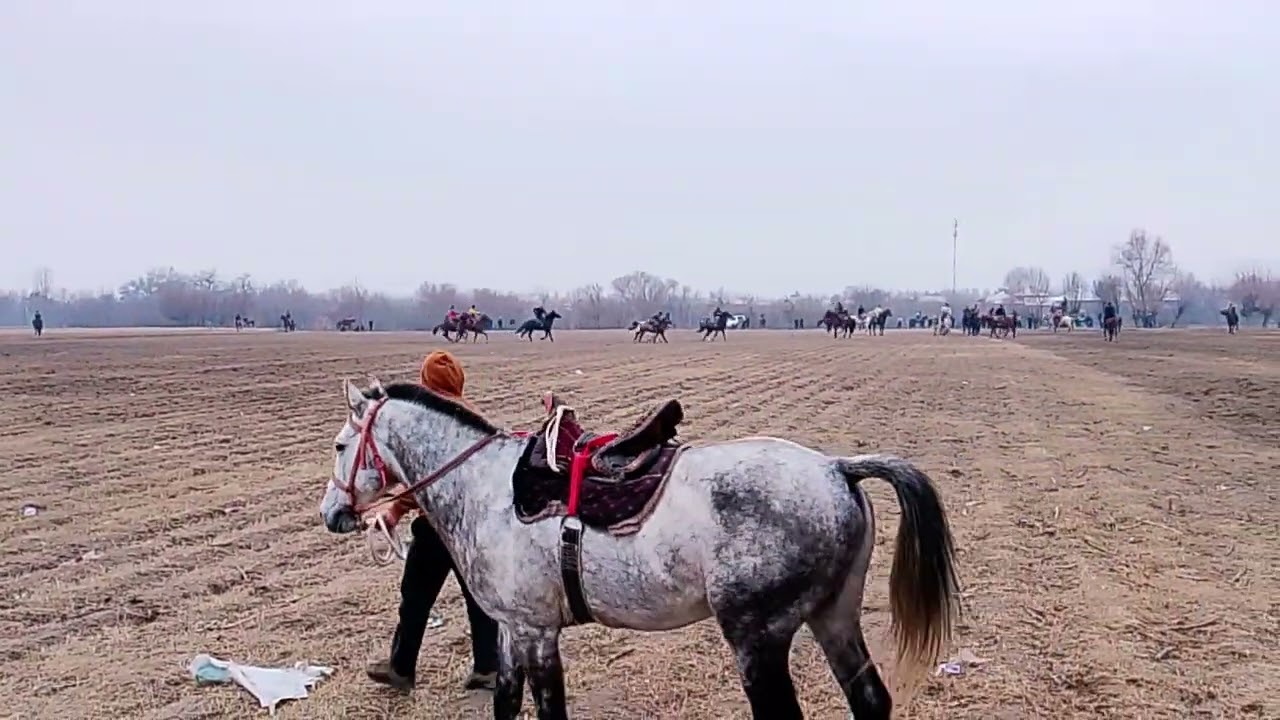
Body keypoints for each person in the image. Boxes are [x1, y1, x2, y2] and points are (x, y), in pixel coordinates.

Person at [365, 351, 500, 693]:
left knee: (415, 597)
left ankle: (401, 668)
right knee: (479, 599)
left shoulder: (431, 424)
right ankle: (489, 667)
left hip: (439, 529)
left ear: (424, 384)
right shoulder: (474, 420)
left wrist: (394, 510)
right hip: (473, 530)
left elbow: (423, 481)